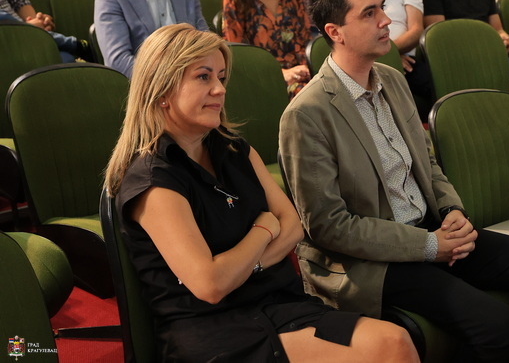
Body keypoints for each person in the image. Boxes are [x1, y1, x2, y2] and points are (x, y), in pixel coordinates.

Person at [279, 0, 509, 362]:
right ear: (335, 32)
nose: (386, 20)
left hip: (431, 229)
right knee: (499, 327)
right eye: (369, 13)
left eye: (382, 8)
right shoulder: (307, 114)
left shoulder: (392, 80)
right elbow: (328, 226)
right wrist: (429, 246)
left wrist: (452, 210)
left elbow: (429, 164)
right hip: (372, 260)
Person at [103, 23, 418, 363]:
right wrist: (264, 229)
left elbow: (293, 226)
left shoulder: (233, 149)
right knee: (390, 345)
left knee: (395, 340)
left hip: (280, 305)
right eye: (203, 77)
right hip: (215, 331)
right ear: (162, 89)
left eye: (221, 77)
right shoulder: (153, 178)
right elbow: (211, 285)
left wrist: (241, 266)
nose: (219, 89)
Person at [348, 0, 432, 117]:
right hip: (363, 64)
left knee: (440, 84)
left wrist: (390, 53)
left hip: (406, 61)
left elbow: (416, 29)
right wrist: (387, 56)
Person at [0, 0, 91, 62]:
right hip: (7, 42)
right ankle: (75, 45)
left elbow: (18, 0)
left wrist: (38, 24)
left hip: (24, 39)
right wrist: (27, 28)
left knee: (65, 58)